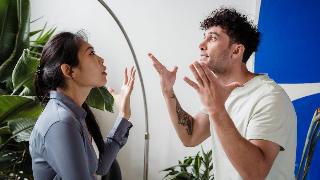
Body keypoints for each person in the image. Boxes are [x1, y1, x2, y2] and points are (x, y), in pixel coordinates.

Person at [148, 8, 296, 179]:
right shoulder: (220, 94)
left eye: (212, 38)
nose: (201, 45)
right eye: (204, 37)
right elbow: (191, 136)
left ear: (236, 51)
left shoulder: (269, 97)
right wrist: (168, 92)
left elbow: (256, 173)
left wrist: (217, 109)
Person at [29, 31, 136, 180]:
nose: (101, 59)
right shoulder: (61, 122)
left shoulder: (74, 114)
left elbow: (100, 167)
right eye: (91, 53)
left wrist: (124, 114)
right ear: (69, 70)